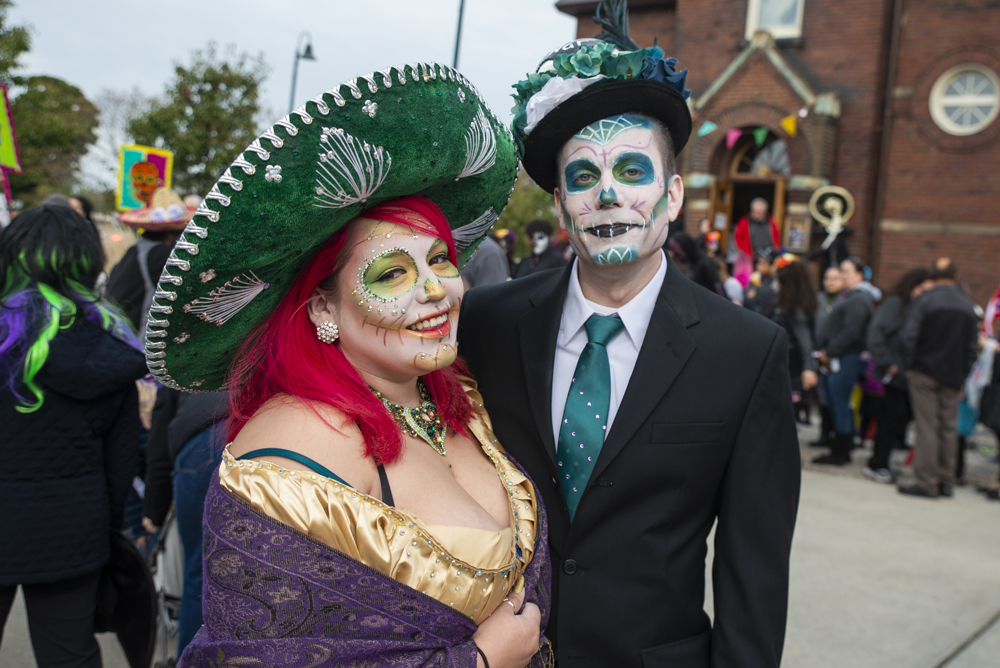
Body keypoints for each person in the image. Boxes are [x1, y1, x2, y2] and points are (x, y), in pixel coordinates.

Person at [152, 68, 551, 668]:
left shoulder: (452, 399)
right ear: (322, 308)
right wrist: (480, 662)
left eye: (440, 260)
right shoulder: (290, 454)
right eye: (391, 274)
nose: (435, 291)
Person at [461, 6, 801, 665]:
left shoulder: (746, 352)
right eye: (583, 178)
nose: (608, 195)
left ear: (673, 197)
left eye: (633, 172)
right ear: (560, 206)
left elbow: (754, 572)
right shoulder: (487, 324)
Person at [0, 205, 148, 668]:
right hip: (72, 524)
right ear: (87, 263)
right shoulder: (112, 343)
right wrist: (106, 526)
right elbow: (122, 458)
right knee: (68, 653)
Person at [142, 388, 228, 654]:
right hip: (260, 434)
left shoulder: (182, 363)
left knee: (199, 574)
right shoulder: (261, 350)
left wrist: (154, 512)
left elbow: (158, 449)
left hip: (199, 448)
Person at [898, 260, 979, 498]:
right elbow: (972, 347)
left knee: (927, 428)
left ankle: (926, 482)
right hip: (952, 375)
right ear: (955, 276)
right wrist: (963, 374)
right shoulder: (967, 305)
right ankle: (945, 480)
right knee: (947, 429)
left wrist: (911, 366)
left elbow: (908, 337)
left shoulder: (925, 300)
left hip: (925, 372)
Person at [863, 268, 933, 484]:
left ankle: (883, 461)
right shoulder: (895, 305)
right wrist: (887, 363)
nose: (923, 294)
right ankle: (877, 463)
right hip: (894, 374)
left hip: (907, 374)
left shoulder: (917, 307)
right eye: (921, 289)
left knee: (899, 420)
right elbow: (876, 334)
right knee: (888, 419)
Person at [106, 188, 194, 339]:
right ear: (168, 234)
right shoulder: (160, 255)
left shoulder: (134, 249)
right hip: (137, 342)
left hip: (115, 333)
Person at [813, 257, 875, 465]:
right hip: (842, 358)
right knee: (837, 402)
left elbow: (851, 331)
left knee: (840, 403)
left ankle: (840, 451)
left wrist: (829, 351)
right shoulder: (854, 297)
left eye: (847, 271)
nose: (842, 276)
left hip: (845, 359)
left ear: (860, 275)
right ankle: (840, 446)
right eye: (841, 271)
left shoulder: (858, 299)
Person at [772, 258, 818, 413]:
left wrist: (808, 368)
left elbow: (804, 339)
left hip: (792, 366)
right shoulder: (793, 305)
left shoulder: (794, 309)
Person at [668, 231, 724, 296]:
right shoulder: (692, 263)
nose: (677, 258)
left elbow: (718, 287)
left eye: (677, 254)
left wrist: (726, 303)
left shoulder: (705, 262)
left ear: (686, 249)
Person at [734, 197, 780, 262]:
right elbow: (738, 238)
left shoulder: (771, 222)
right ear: (752, 211)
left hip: (769, 258)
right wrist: (746, 253)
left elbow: (776, 236)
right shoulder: (744, 222)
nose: (759, 214)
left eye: (761, 212)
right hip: (751, 258)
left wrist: (776, 249)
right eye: (757, 212)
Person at [744, 246, 779, 318]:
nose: (758, 266)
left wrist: (758, 293)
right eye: (759, 262)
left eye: (763, 263)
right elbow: (747, 299)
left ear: (774, 266)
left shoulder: (778, 282)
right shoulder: (757, 277)